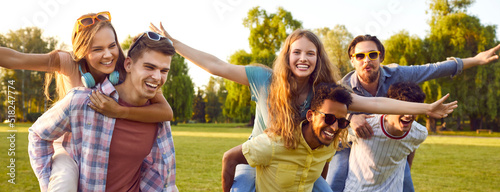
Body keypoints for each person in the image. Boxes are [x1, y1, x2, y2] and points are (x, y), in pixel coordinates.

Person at [150, 23, 457, 191]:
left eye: (310, 53)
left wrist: (425, 109)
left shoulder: (323, 94)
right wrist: (174, 42)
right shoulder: (264, 78)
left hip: (298, 163)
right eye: (297, 52)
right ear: (287, 55)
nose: (303, 59)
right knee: (242, 188)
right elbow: (217, 66)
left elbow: (375, 102)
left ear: (317, 58)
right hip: (258, 159)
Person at [0, 11, 172, 191]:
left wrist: (119, 111)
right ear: (82, 51)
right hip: (68, 146)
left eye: (112, 45)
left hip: (95, 145)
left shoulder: (123, 65)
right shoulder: (68, 62)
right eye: (97, 49)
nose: (108, 55)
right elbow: (16, 59)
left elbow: (165, 112)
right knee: (64, 183)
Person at [327, 34, 500, 192]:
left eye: (372, 54)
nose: (367, 60)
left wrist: (475, 60)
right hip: (352, 141)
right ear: (352, 60)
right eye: (360, 56)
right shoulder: (343, 86)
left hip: (390, 141)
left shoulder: (398, 75)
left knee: (406, 184)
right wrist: (351, 117)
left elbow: (434, 69)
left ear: (381, 57)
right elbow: (329, 112)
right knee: (336, 179)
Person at [222, 83, 352, 192]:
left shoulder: (330, 144)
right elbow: (230, 157)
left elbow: (324, 163)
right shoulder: (275, 143)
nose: (335, 128)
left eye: (341, 122)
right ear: (310, 116)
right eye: (329, 118)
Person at [344, 82, 428, 192]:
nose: (408, 115)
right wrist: (350, 117)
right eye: (403, 109)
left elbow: (411, 147)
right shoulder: (364, 126)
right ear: (389, 107)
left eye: (414, 110)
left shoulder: (419, 133)